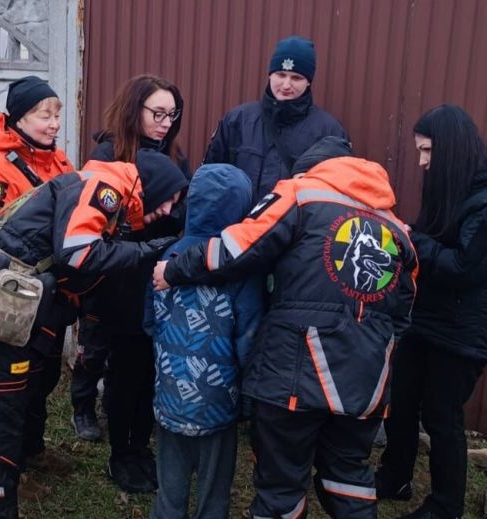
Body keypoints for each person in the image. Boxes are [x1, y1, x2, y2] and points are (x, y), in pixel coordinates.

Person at [153, 140, 418, 519]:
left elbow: (236, 247)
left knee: (281, 481)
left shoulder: (301, 193)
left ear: (309, 169)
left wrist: (174, 270)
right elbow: (404, 312)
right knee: (349, 474)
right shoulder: (396, 228)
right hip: (366, 377)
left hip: (295, 372)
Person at [0, 149, 187, 518]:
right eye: (171, 197)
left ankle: (22, 466)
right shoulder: (109, 186)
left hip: (5, 307)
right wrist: (143, 252)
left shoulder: (102, 191)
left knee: (17, 405)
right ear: (152, 184)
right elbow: (77, 253)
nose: (170, 209)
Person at [375, 105, 487, 519]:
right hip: (430, 320)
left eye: (427, 151)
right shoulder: (464, 190)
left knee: (440, 415)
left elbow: (464, 268)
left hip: (465, 332)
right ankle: (394, 476)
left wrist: (413, 241)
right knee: (401, 398)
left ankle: (445, 506)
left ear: (450, 149)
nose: (422, 162)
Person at [0, 76, 75, 498]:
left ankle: (32, 449)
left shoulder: (60, 164)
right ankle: (3, 467)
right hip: (13, 300)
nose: (54, 123)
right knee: (5, 389)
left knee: (42, 376)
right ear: (19, 118)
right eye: (44, 115)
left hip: (51, 294)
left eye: (57, 114)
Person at [76, 74, 190, 493]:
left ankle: (142, 447)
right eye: (156, 113)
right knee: (124, 371)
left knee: (148, 370)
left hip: (162, 282)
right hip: (121, 284)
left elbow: (185, 214)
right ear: (133, 110)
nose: (165, 122)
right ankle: (121, 453)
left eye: (172, 114)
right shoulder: (107, 156)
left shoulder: (175, 158)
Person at [144, 163, 264, 519]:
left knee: (170, 488)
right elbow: (249, 336)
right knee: (214, 491)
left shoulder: (167, 257)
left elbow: (148, 322)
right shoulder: (241, 268)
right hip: (219, 401)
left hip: (170, 392)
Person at [204, 35, 347, 203]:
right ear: (270, 75)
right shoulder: (237, 120)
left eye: (296, 78)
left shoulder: (330, 132)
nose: (286, 85)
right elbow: (209, 183)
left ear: (308, 82)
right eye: (281, 74)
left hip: (295, 228)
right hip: (237, 228)